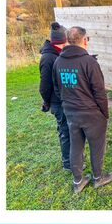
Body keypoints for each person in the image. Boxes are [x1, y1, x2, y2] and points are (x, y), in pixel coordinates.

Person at [54, 27, 112, 193]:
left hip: (71, 113)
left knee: (76, 145)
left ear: (68, 40)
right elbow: (99, 92)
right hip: (91, 114)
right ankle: (98, 178)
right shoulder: (90, 62)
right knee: (97, 146)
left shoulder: (58, 62)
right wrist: (104, 113)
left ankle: (78, 181)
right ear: (84, 40)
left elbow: (57, 89)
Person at [39, 22, 72, 171]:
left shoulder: (58, 54)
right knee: (65, 131)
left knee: (70, 130)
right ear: (63, 41)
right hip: (57, 102)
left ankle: (72, 159)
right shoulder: (48, 58)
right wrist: (47, 102)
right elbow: (44, 86)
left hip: (64, 100)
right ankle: (68, 163)